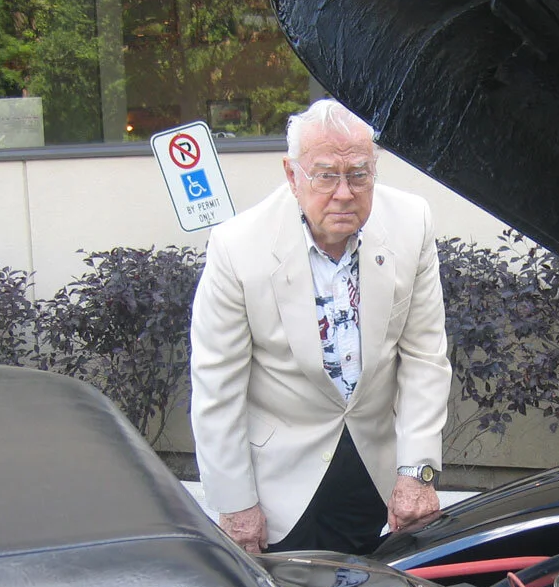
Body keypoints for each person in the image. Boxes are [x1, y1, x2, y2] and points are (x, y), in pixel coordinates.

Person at [189, 99, 452, 554]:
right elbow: (217, 387)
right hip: (279, 482)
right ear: (292, 176)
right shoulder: (238, 247)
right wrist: (235, 504)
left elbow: (425, 357)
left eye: (358, 174)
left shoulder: (412, 223)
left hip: (377, 468)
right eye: (326, 175)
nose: (345, 192)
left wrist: (418, 471)